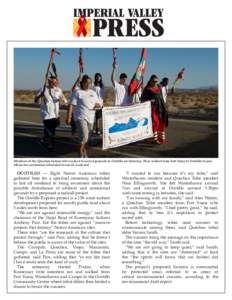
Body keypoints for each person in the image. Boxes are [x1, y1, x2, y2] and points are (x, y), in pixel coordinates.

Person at [66, 75, 101, 158]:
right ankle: (80, 152)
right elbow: (72, 105)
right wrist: (69, 117)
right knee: (85, 136)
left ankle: (83, 150)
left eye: (90, 82)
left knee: (87, 138)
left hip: (91, 118)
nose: (88, 84)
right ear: (82, 83)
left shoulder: (93, 93)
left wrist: (97, 105)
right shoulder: (78, 92)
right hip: (80, 117)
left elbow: (98, 103)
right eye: (86, 82)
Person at [34, 75, 67, 151]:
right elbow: (35, 101)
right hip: (46, 114)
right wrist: (40, 96)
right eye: (52, 82)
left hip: (55, 114)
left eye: (55, 82)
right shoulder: (43, 89)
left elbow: (65, 101)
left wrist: (63, 100)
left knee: (50, 131)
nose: (54, 83)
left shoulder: (58, 90)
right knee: (51, 132)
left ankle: (43, 139)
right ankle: (50, 146)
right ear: (49, 81)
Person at [141, 74, 168, 144]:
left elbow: (161, 97)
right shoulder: (147, 89)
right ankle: (152, 139)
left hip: (160, 108)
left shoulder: (158, 87)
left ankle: (159, 138)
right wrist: (150, 101)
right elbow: (142, 100)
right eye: (153, 81)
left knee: (161, 122)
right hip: (152, 109)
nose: (155, 82)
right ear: (150, 81)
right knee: (154, 123)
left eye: (156, 81)